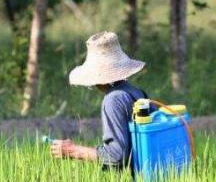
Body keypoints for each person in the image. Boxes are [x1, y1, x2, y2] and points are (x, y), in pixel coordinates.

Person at [50, 31, 149, 171]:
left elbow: (116, 156)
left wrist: (72, 150)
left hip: (145, 180)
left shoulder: (113, 100)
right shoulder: (136, 92)